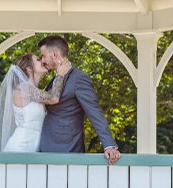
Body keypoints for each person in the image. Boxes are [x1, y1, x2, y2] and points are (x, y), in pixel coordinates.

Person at [36, 36, 121, 164]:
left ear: (54, 54)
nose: (42, 61)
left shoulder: (79, 79)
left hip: (67, 150)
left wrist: (109, 145)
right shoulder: (55, 79)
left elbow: (94, 112)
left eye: (43, 56)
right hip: (46, 148)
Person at [0, 53, 66, 152]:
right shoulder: (23, 88)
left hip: (33, 149)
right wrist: (61, 75)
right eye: (38, 59)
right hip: (19, 148)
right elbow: (53, 98)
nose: (42, 61)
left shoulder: (36, 92)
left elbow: (53, 94)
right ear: (29, 69)